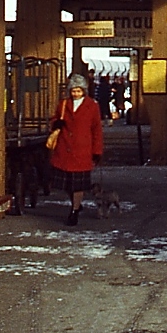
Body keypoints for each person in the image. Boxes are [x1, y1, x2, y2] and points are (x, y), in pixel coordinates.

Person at [49, 73, 104, 226]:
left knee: (78, 185)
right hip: (64, 149)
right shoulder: (64, 104)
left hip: (82, 150)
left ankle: (74, 211)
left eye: (79, 91)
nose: (76, 93)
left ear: (84, 91)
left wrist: (97, 150)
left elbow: (96, 129)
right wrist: (56, 123)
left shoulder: (92, 106)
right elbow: (54, 118)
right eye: (73, 90)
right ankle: (77, 205)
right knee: (67, 184)